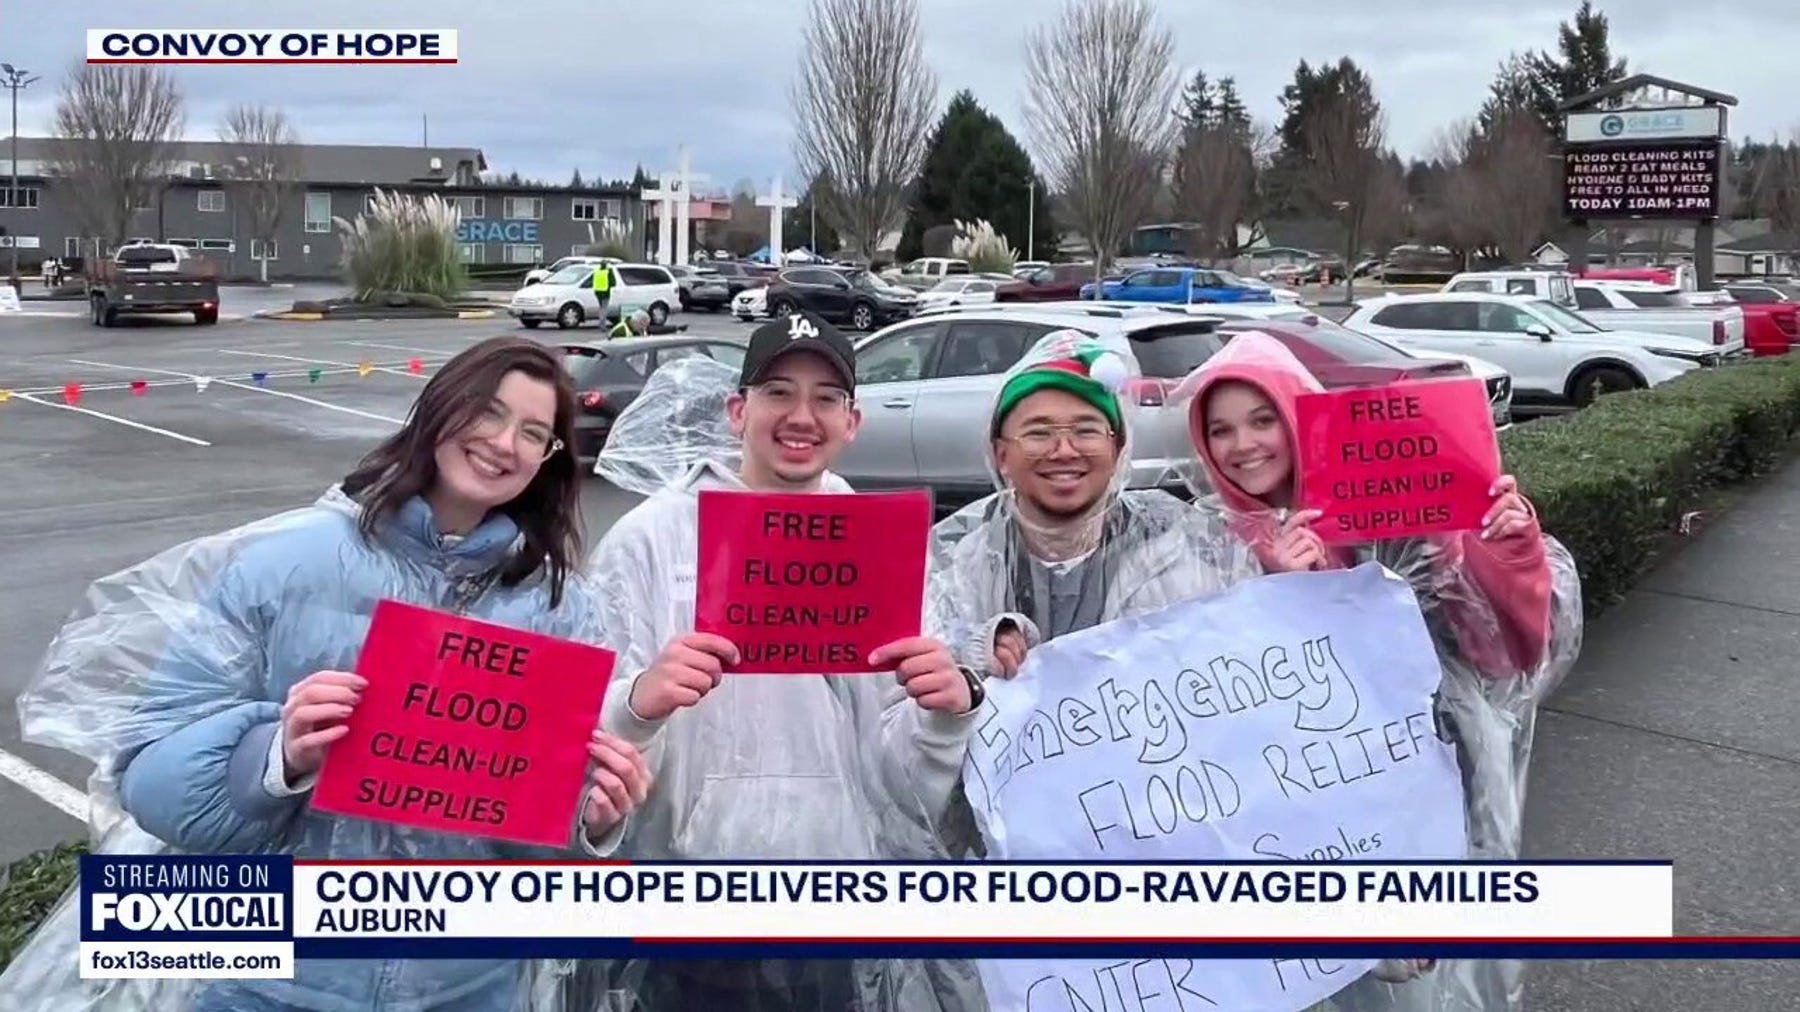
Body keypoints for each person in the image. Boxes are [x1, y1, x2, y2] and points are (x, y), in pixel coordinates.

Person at [0, 336, 651, 1012]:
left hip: (466, 984)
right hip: (272, 982)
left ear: (547, 461)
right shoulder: (286, 562)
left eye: (533, 433)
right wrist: (276, 753)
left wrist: (590, 824)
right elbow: (148, 779)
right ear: (440, 409)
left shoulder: (559, 608)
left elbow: (537, 857)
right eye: (488, 412)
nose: (503, 442)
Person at [575, 310, 986, 1011]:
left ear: (853, 421)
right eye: (778, 392)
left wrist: (943, 720)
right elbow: (586, 756)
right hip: (687, 906)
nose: (802, 415)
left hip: (834, 905)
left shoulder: (881, 552)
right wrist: (639, 704)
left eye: (826, 397)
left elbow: (895, 780)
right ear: (738, 411)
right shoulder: (649, 539)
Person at [1174, 331, 1584, 1011]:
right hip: (1277, 834)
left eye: (1263, 418)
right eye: (1220, 430)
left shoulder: (1393, 513)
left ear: (1299, 415)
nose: (1243, 445)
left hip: (1418, 804)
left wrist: (1501, 547)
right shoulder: (1199, 543)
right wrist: (1275, 591)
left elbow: (1507, 654)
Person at [927, 330, 1262, 694]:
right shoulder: (953, 564)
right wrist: (972, 660)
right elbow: (900, 720)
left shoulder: (1188, 548)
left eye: (1086, 431)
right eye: (1039, 434)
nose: (1064, 450)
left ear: (1117, 447)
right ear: (1001, 455)